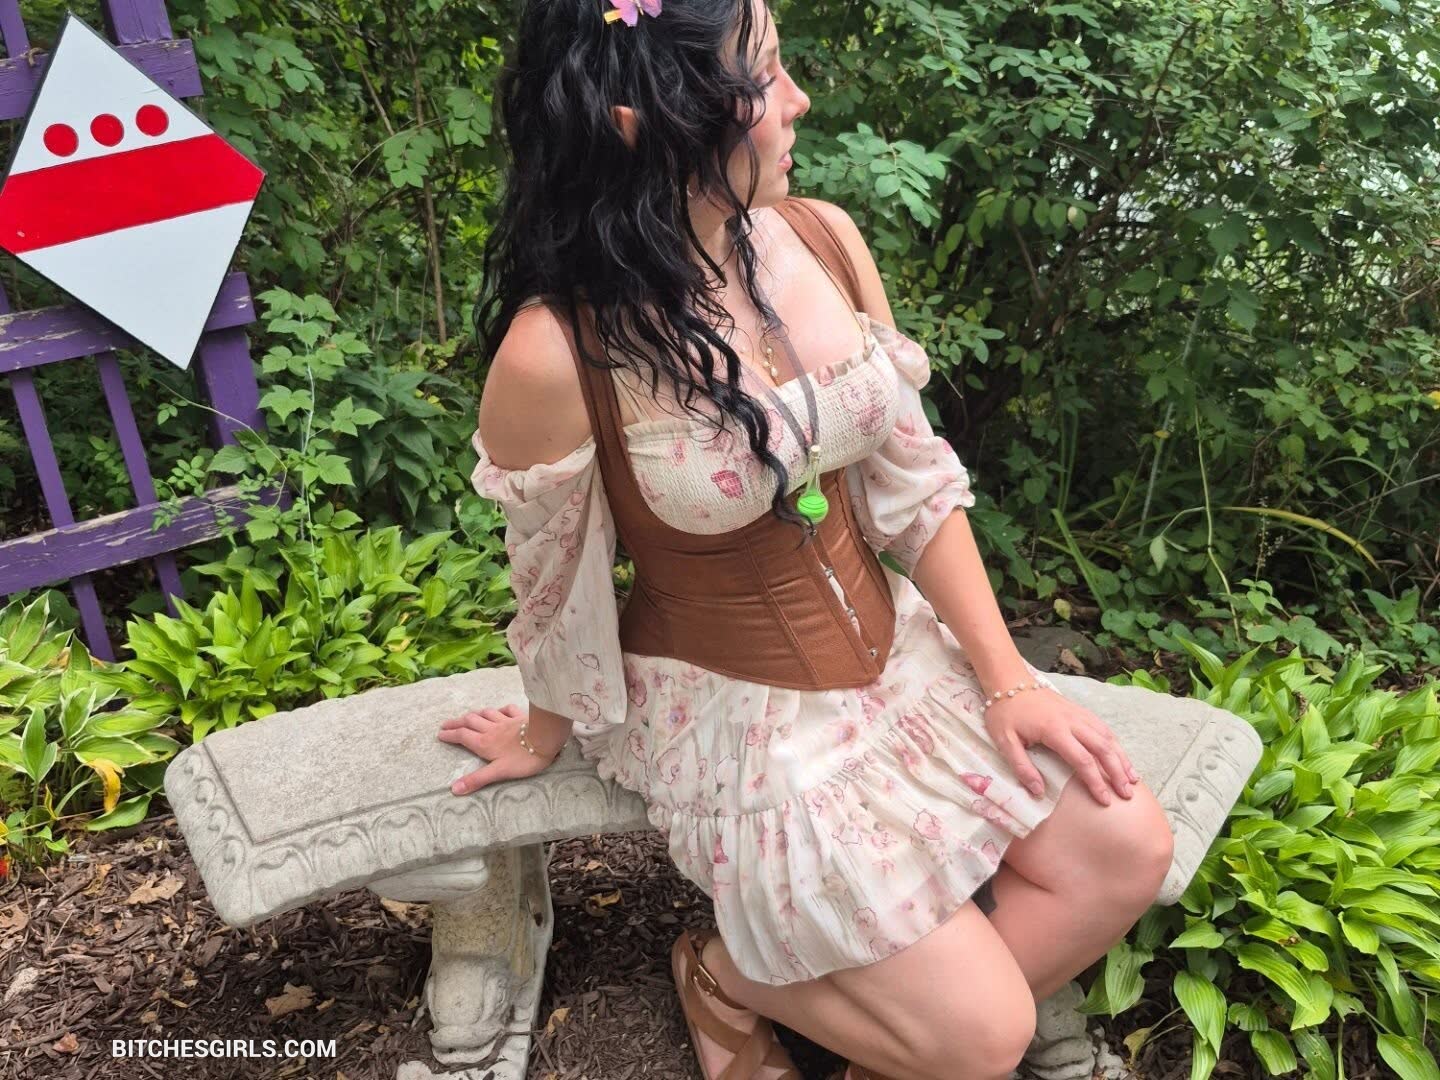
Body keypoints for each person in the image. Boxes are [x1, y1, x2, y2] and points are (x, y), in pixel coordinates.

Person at [442, 1, 1175, 1077]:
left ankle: (835, 1013)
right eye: (765, 77)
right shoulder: (558, 351)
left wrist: (1007, 678)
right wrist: (546, 729)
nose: (800, 101)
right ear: (644, 120)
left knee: (1127, 849)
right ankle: (731, 979)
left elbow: (913, 484)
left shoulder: (822, 238)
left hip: (896, 654)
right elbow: (555, 581)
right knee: (985, 1037)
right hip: (740, 717)